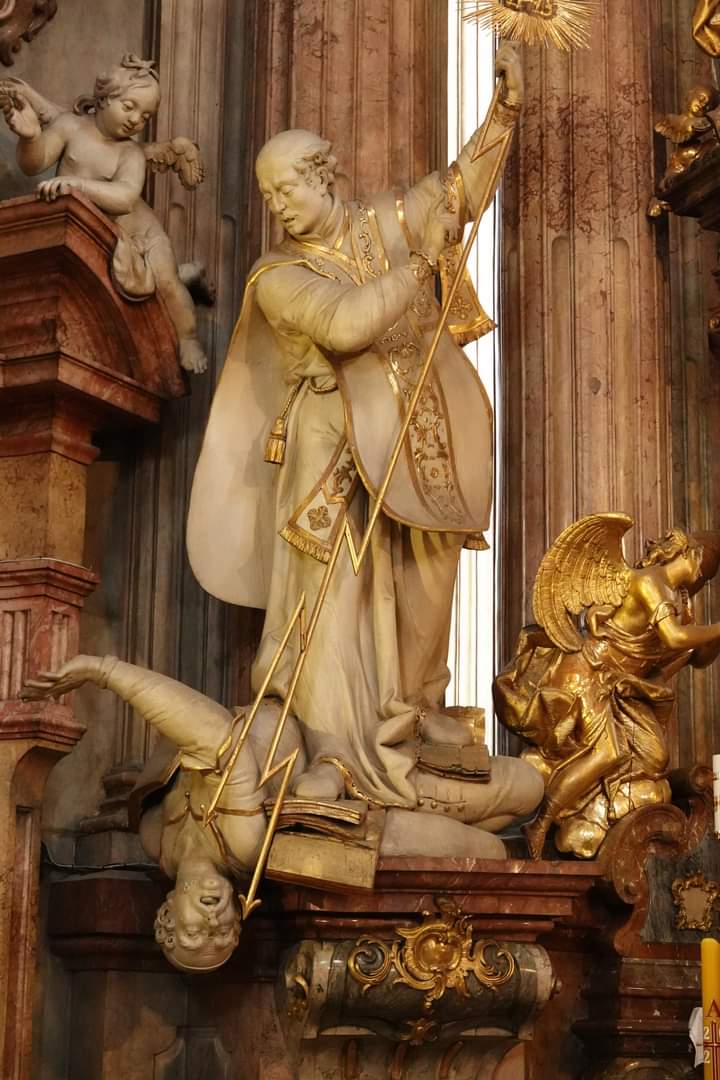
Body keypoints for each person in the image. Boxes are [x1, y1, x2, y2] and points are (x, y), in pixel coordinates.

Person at [187, 46, 540, 817]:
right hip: (331, 461)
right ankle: (338, 755)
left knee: (422, 600)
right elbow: (346, 325)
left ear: (323, 176)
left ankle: (409, 727)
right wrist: (421, 268)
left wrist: (503, 113)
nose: (278, 205)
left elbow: (459, 191)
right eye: (268, 195)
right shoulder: (277, 277)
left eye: (287, 187)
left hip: (423, 447)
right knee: (336, 612)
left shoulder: (383, 222)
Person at [494, 524, 720, 859]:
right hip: (587, 672)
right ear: (689, 553)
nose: (700, 578)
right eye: (702, 568)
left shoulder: (674, 597)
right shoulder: (649, 582)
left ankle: (600, 805)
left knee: (655, 758)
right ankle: (540, 823)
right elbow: (675, 638)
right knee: (608, 753)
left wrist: (710, 633)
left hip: (619, 686)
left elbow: (696, 656)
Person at [0, 55, 207, 373]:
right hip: (99, 233)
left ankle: (188, 336)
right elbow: (34, 164)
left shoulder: (130, 153)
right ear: (104, 97)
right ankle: (187, 275)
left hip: (140, 234)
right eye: (129, 106)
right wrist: (30, 138)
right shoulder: (70, 126)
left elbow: (125, 198)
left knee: (167, 283)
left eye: (145, 116)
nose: (136, 120)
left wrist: (76, 184)